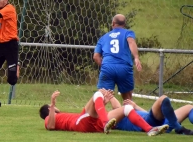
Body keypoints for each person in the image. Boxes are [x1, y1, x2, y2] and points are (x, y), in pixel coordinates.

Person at [39, 89, 168, 136]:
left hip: (90, 123)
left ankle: (150, 129)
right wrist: (53, 104)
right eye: (52, 106)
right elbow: (50, 126)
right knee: (98, 93)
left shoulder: (60, 115)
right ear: (49, 109)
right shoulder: (49, 119)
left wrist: (102, 104)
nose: (55, 107)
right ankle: (106, 122)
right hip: (80, 123)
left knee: (127, 109)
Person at [93, 14, 142, 100]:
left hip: (107, 68)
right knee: (127, 99)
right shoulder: (128, 33)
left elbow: (96, 57)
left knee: (102, 96)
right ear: (124, 24)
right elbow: (131, 42)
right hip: (124, 67)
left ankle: (99, 112)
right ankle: (127, 112)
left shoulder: (103, 38)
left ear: (113, 23)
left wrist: (105, 65)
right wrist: (136, 57)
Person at [111, 95, 193, 135]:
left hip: (164, 121)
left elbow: (146, 113)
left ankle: (175, 125)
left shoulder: (128, 112)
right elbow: (116, 106)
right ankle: (178, 128)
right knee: (163, 99)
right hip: (150, 124)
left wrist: (136, 106)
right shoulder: (114, 120)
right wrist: (108, 96)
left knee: (189, 107)